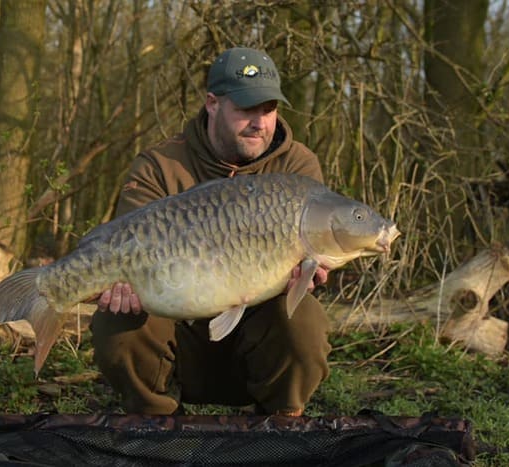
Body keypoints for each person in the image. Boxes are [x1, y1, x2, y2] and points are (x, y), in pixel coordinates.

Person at [90, 47, 331, 416]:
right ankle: (155, 420)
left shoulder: (297, 166)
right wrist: (119, 284)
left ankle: (281, 422)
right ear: (212, 103)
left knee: (304, 320)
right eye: (246, 108)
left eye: (269, 109)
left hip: (254, 342)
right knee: (117, 320)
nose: (260, 122)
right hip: (178, 338)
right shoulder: (160, 165)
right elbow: (125, 249)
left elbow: (316, 253)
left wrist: (310, 273)